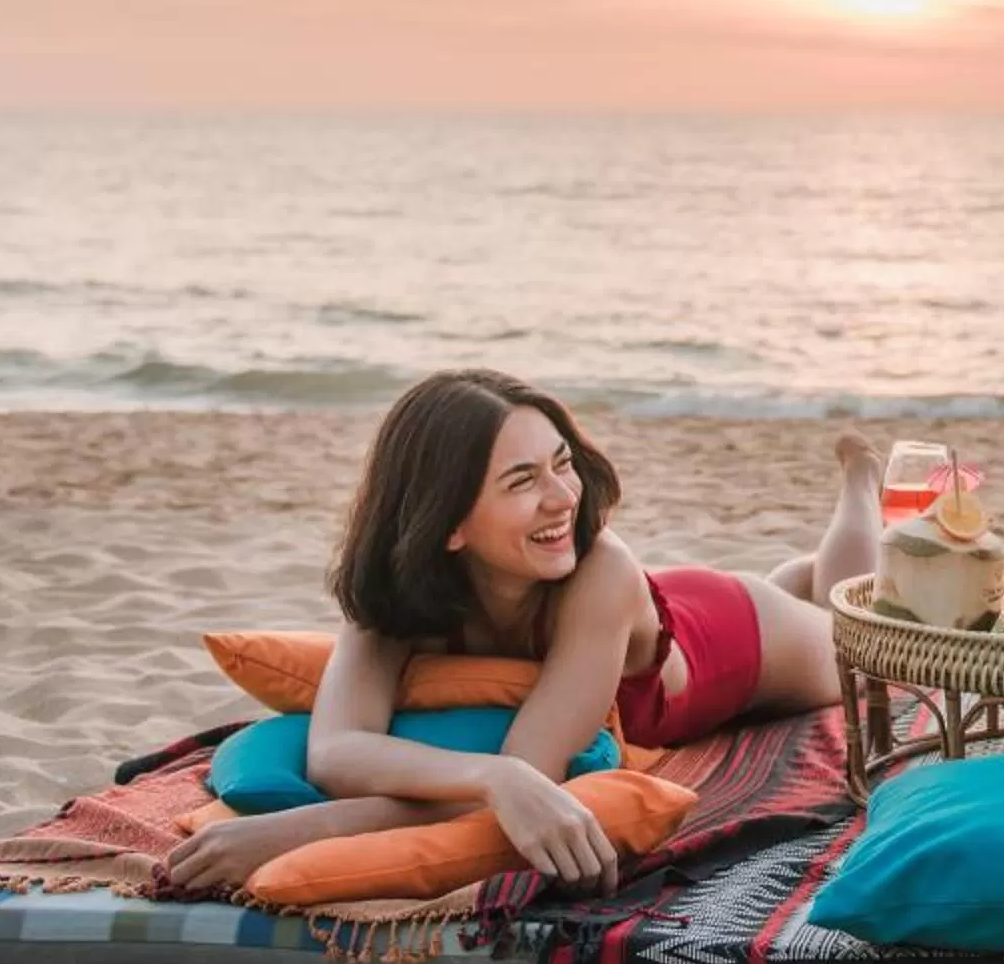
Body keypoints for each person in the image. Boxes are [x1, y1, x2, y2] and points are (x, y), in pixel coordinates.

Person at [166, 370, 886, 895]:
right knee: (806, 590)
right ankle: (793, 574)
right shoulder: (393, 588)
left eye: (562, 463)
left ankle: (860, 481)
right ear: (446, 523)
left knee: (859, 631)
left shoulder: (598, 566)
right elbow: (335, 751)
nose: (563, 497)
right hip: (633, 615)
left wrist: (307, 829)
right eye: (522, 481)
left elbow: (531, 776)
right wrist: (493, 774)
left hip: (729, 637)